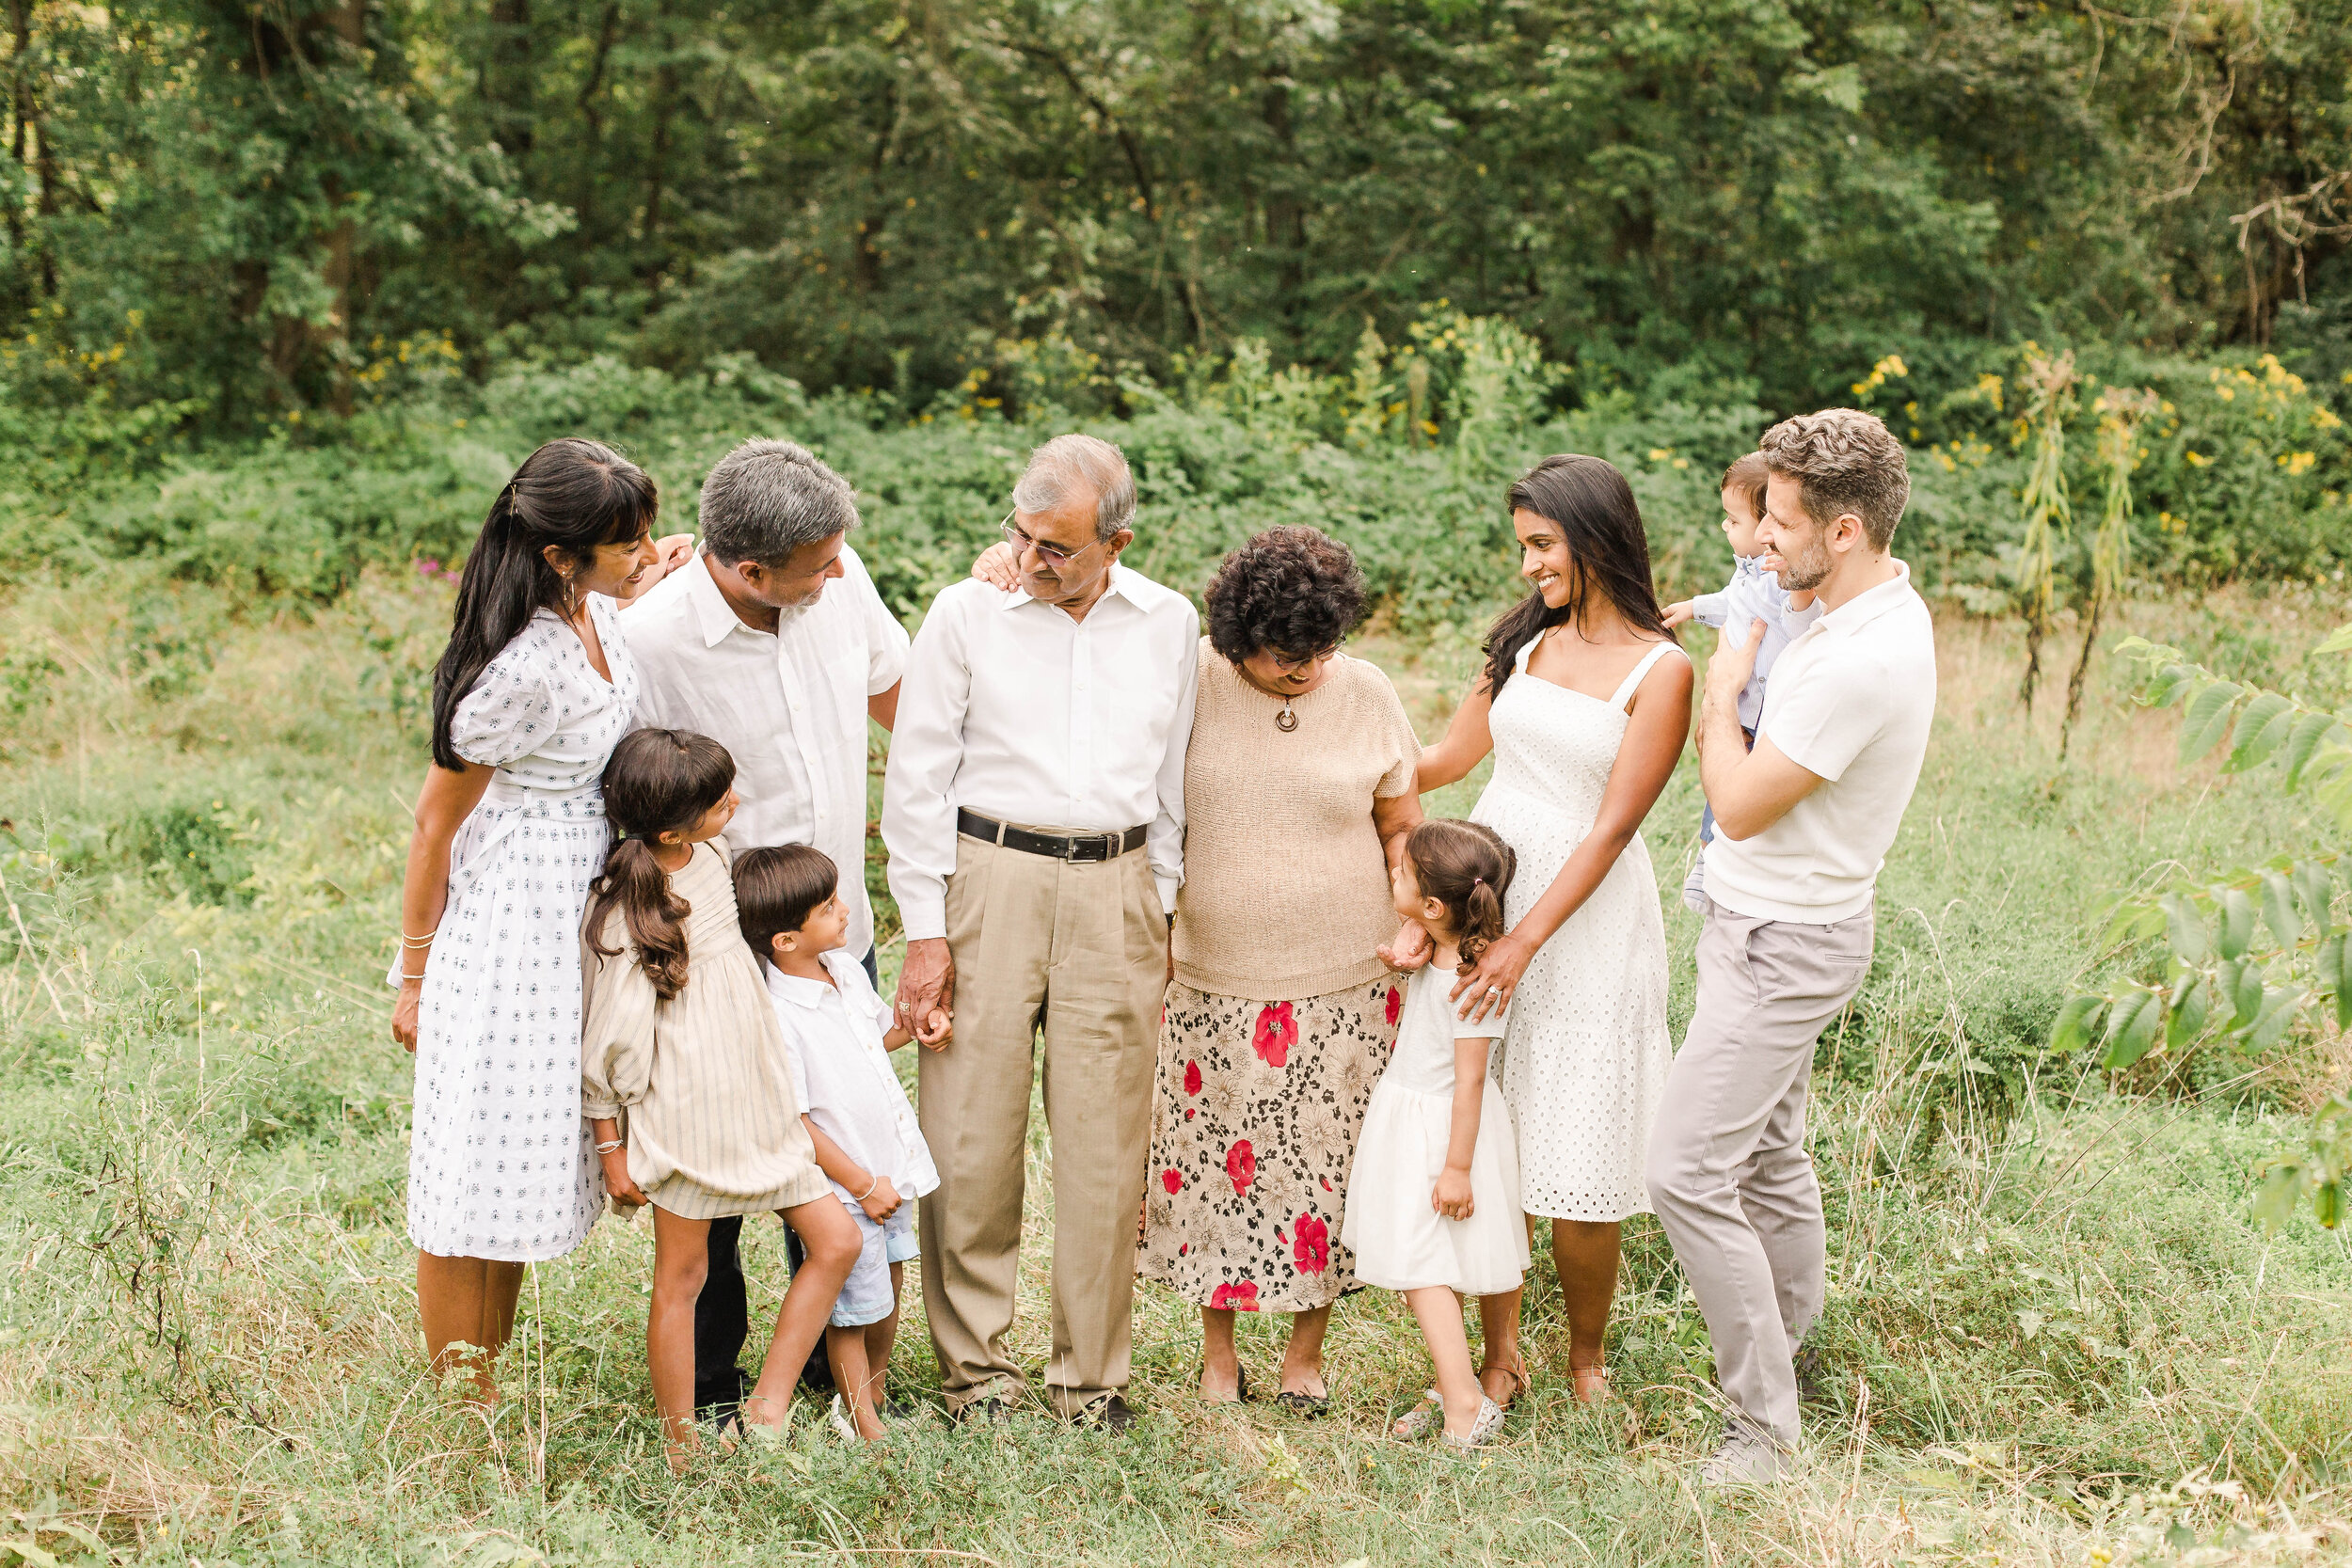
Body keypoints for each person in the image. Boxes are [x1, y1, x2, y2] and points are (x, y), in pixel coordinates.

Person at [882, 433, 1199, 1429]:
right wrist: (926, 932)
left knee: (1105, 1147)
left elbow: (1173, 782)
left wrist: (1162, 901)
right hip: (990, 876)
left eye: (1056, 545)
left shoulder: (1168, 623)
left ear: (1117, 540)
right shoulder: (966, 613)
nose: (1030, 558)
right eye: (1022, 534)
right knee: (968, 1135)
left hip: (1115, 885)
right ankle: (975, 1377)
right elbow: (918, 776)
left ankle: (1091, 1380)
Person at [1645, 408, 1936, 1486]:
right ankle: (1790, 1358)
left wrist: (1721, 689)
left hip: (1784, 941)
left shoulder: (1859, 656)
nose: (1758, 541)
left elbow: (1739, 796)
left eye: (1776, 521)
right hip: (1759, 920)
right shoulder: (1843, 604)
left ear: (1845, 528)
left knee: (1683, 1167)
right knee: (1767, 1156)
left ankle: (1761, 1427)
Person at [621, 437, 910, 1423]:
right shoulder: (650, 639)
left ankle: (841, 1376)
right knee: (721, 1175)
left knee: (838, 1141)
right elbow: (631, 798)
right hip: (725, 953)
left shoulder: (839, 571)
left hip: (836, 929)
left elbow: (892, 693)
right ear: (750, 570)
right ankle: (709, 1389)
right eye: (820, 566)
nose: (840, 574)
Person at [1406, 453, 1692, 1411]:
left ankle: (1585, 1358)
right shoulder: (1523, 643)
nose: (1526, 563)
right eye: (1521, 545)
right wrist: (1334, 728)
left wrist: (1526, 941)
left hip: (1587, 919)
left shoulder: (1662, 669)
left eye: (1540, 543)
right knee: (1492, 1132)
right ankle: (1499, 1354)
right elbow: (1446, 757)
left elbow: (1613, 825)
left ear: (1594, 534)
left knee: (1578, 1152)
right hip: (1492, 892)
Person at [389, 437, 658, 1401]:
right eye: (625, 541)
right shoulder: (514, 668)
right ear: (558, 554)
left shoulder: (600, 612)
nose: (645, 552)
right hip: (510, 924)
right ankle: (465, 1400)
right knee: (473, 1157)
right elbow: (436, 823)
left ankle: (487, 1377)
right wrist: (414, 971)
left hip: (579, 911)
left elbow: (671, 568)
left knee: (524, 1150)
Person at [580, 730, 861, 1469]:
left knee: (837, 1241)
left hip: (758, 1094)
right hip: (687, 1106)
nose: (734, 799)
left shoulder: (712, 859)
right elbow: (609, 1039)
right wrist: (612, 1149)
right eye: (718, 797)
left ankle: (764, 1411)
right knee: (682, 1276)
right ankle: (680, 1448)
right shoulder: (630, 908)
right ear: (670, 826)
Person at [739, 844, 946, 1444]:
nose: (846, 911)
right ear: (784, 940)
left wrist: (919, 1026)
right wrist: (859, 1183)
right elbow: (796, 1122)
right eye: (828, 907)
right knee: (853, 1311)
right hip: (847, 1183)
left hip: (891, 1167)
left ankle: (873, 1393)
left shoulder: (847, 971)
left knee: (889, 1285)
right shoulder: (780, 1015)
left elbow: (880, 1036)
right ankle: (863, 1422)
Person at [1342, 820, 1527, 1452]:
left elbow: (1471, 1084)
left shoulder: (1473, 983)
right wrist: (1411, 944)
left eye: (1402, 874)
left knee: (1421, 1266)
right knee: (1431, 1265)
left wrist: (1455, 1168)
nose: (1391, 873)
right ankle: (1454, 1385)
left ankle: (1467, 1405)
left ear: (1433, 906)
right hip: (1413, 1118)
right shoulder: (1442, 953)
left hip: (1444, 1132)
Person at [1663, 451, 1820, 911]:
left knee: (1739, 785)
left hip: (1758, 705)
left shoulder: (1783, 577)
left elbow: (1797, 625)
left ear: (1767, 522)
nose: (1725, 528)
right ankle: (1713, 854)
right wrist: (1694, 607)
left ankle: (1716, 861)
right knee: (1717, 777)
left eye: (1733, 520)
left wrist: (1796, 593)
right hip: (1738, 698)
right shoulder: (1747, 568)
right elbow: (1733, 600)